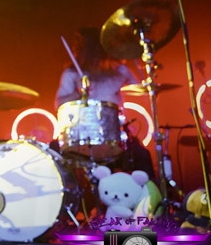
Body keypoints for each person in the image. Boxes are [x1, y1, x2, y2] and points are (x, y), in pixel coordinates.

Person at [54, 26, 153, 175]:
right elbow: (58, 104)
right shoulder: (73, 74)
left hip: (115, 135)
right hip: (79, 136)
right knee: (53, 153)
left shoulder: (120, 71)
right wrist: (77, 93)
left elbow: (143, 94)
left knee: (142, 156)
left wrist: (144, 78)